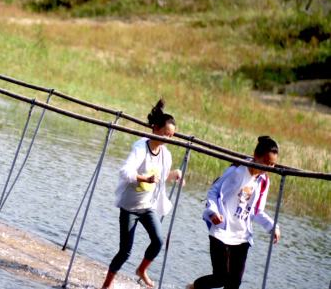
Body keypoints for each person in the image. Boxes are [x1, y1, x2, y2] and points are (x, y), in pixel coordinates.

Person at [101, 99, 183, 288]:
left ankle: (141, 270)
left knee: (158, 241)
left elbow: (160, 178)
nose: (167, 140)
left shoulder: (166, 155)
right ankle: (106, 285)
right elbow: (125, 171)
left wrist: (175, 175)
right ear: (155, 129)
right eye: (165, 135)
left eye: (171, 137)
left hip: (147, 207)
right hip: (130, 207)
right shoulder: (140, 148)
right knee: (125, 252)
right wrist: (143, 179)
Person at [187, 136, 282, 289]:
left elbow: (257, 211)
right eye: (266, 162)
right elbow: (214, 191)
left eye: (272, 164)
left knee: (234, 283)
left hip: (241, 235)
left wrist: (273, 226)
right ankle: (193, 287)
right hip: (221, 229)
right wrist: (213, 212)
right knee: (221, 278)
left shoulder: (264, 181)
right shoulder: (237, 171)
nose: (268, 168)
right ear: (255, 156)